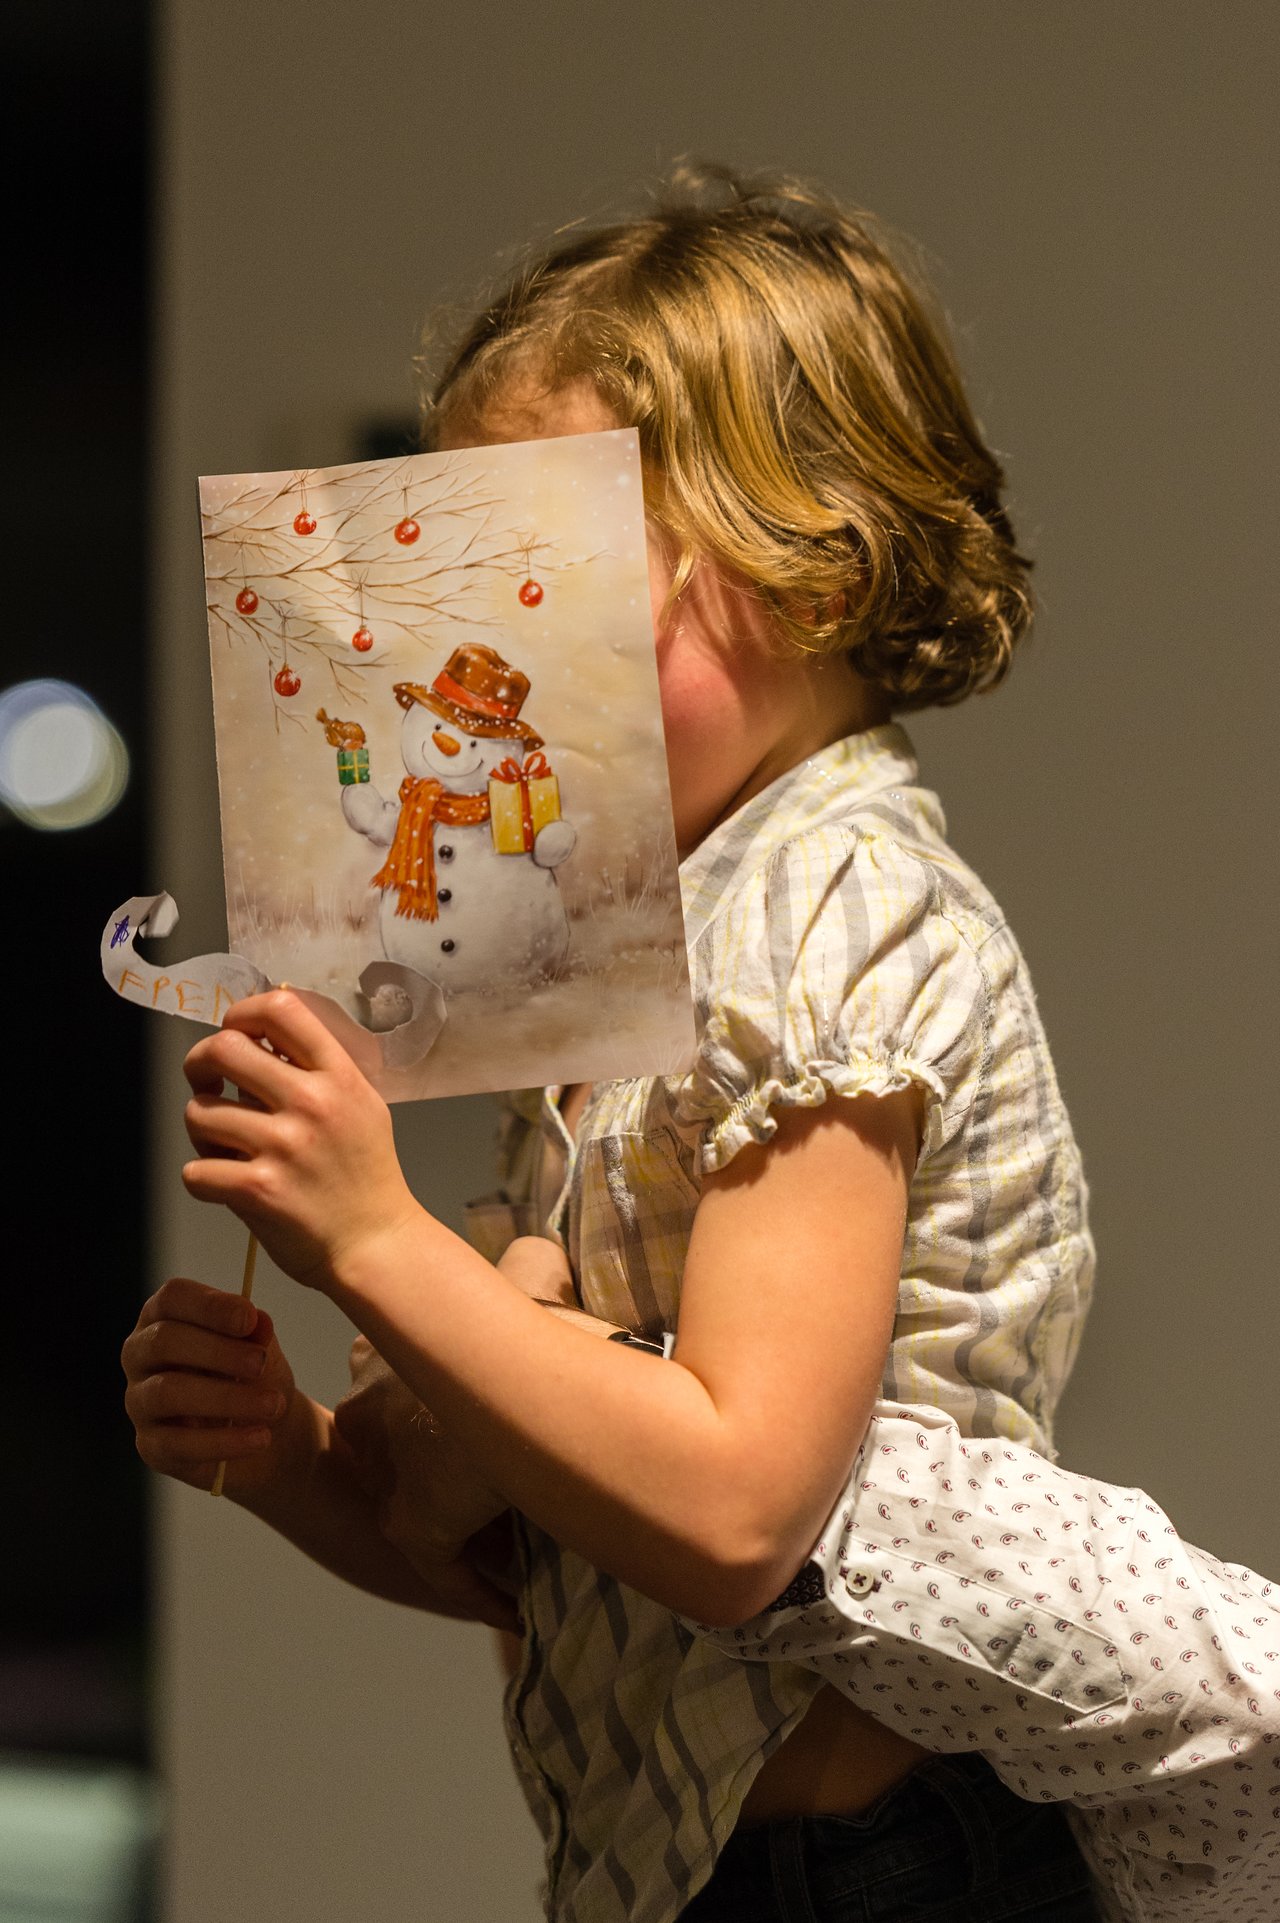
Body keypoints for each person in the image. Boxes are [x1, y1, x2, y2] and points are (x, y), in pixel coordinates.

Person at [125, 168, 1153, 1920]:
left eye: (560, 577)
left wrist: (378, 1235)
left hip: (873, 1881)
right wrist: (296, 1465)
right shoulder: (638, 940)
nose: (488, 655)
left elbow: (737, 1517)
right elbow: (588, 1555)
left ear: (813, 558)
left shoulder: (828, 907)